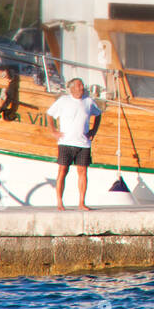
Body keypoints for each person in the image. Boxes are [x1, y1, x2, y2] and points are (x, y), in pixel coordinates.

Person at [48, 78, 103, 211]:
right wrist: (53, 131)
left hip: (83, 143)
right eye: (78, 86)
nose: (81, 88)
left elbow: (98, 114)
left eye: (82, 86)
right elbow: (50, 114)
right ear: (71, 88)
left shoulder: (88, 101)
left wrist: (93, 130)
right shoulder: (63, 101)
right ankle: (60, 202)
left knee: (83, 171)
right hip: (66, 142)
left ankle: (81, 202)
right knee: (62, 171)